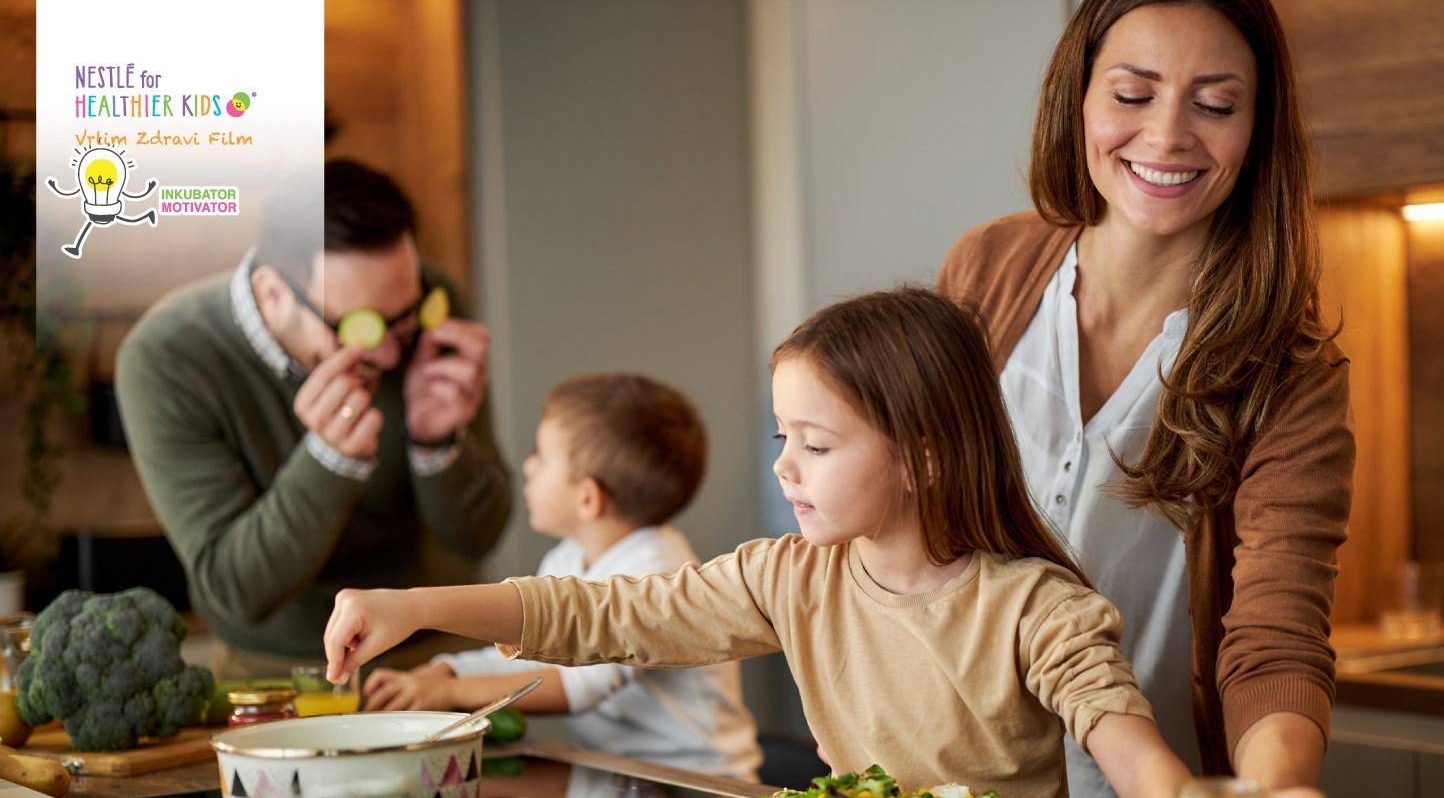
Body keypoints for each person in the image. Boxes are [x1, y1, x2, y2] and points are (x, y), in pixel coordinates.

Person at [324, 287, 1196, 798]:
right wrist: (413, 607)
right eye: (784, 439)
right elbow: (600, 614)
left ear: (924, 459)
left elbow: (1123, 737)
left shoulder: (1035, 608)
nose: (785, 469)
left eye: (816, 446)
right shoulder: (788, 578)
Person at [934, 0, 1352, 796]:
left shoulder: (1291, 371)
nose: (1166, 137)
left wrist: (1275, 786)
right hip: (947, 774)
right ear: (1079, 99)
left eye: (1216, 104)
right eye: (1132, 94)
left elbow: (1275, 636)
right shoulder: (987, 268)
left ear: (1258, 127)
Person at [115, 159, 513, 678]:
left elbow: (479, 537)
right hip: (281, 672)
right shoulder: (166, 356)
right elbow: (236, 590)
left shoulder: (425, 303)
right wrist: (329, 460)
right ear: (274, 294)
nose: (393, 354)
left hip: (436, 658)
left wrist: (437, 444)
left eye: (405, 320)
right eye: (360, 326)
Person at [362, 372, 763, 781]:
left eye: (542, 456)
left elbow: (582, 686)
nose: (528, 466)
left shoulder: (658, 571)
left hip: (696, 781)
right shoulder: (568, 557)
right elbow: (530, 648)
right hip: (619, 775)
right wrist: (448, 671)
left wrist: (450, 693)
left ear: (588, 498)